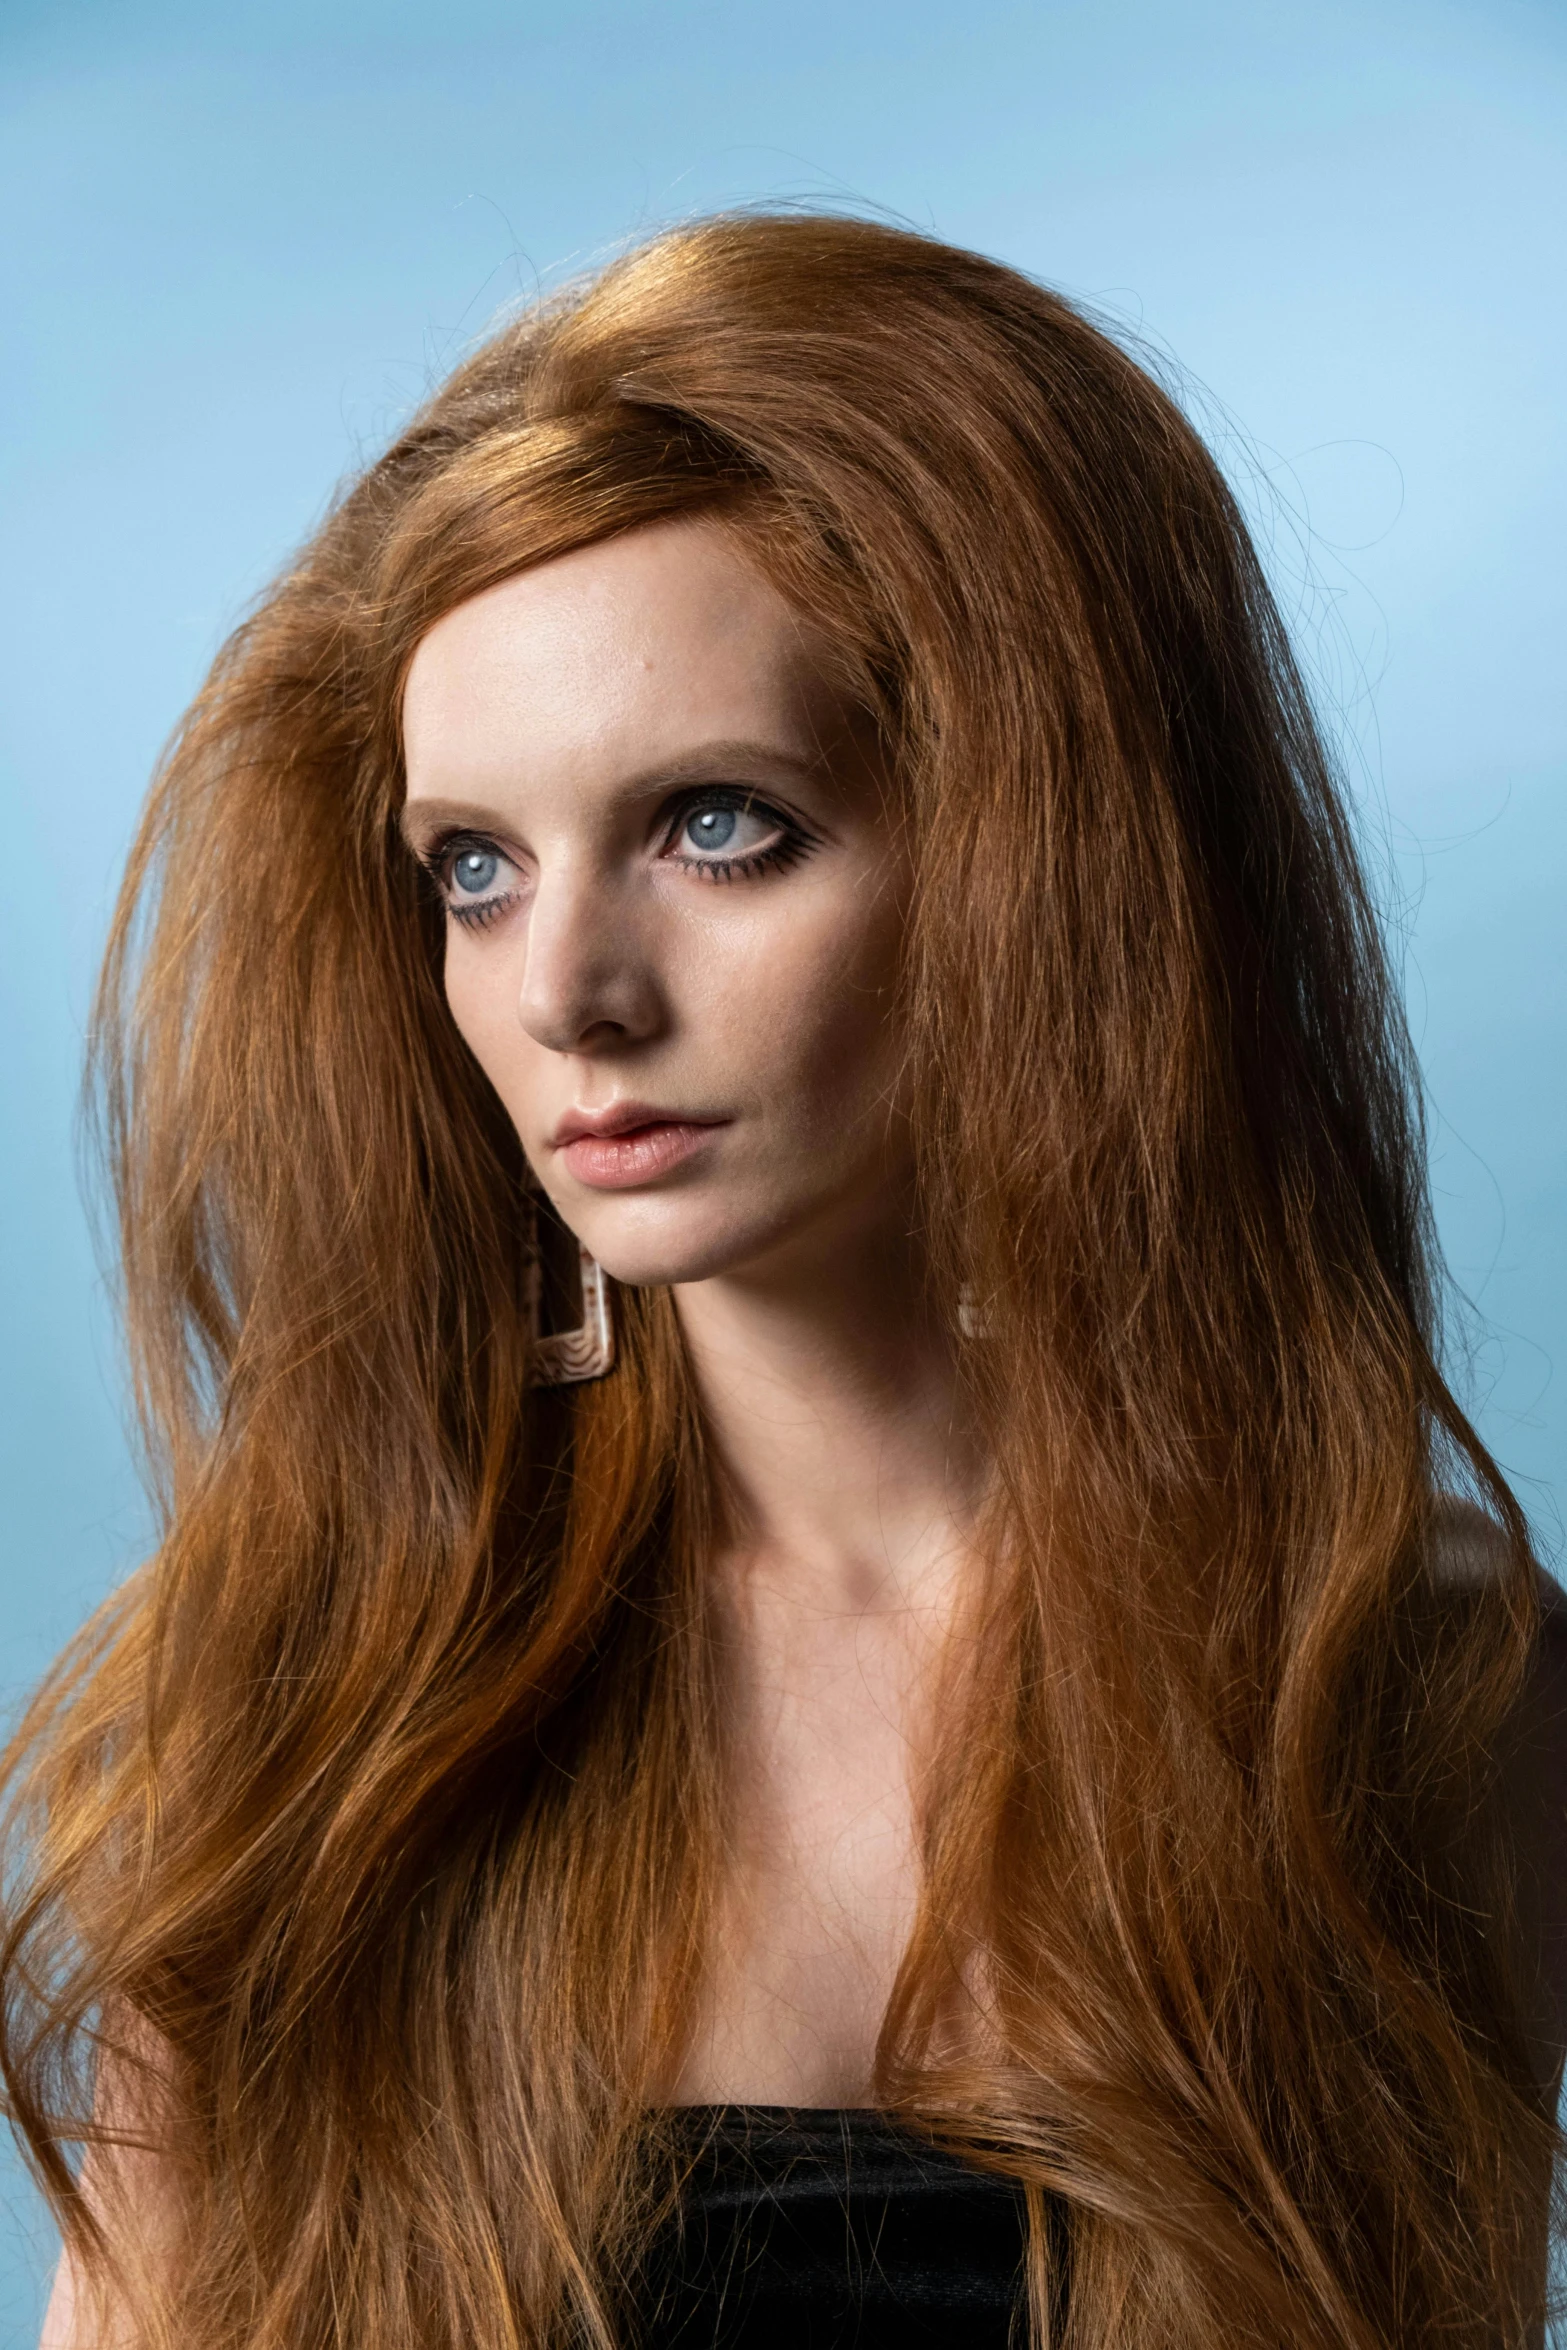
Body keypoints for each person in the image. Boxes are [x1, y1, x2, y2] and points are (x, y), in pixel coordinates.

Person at [4, 209, 1562, 2350]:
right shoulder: (311, 1696)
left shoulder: (1401, 1688)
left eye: (720, 824)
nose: (567, 991)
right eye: (475, 863)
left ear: (1035, 851)